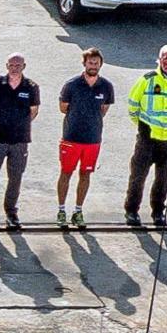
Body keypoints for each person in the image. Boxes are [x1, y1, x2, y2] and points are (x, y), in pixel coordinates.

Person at [124, 43, 167, 227]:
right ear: (159, 60)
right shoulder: (147, 80)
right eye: (165, 59)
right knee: (138, 175)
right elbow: (133, 105)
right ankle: (131, 211)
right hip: (148, 137)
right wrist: (142, 127)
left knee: (163, 177)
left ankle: (158, 212)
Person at [0, 52, 41, 227]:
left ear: (24, 67)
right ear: (7, 66)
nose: (14, 68)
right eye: (11, 65)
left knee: (15, 178)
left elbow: (33, 111)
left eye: (18, 65)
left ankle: (11, 213)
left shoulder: (31, 87)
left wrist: (19, 125)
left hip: (20, 141)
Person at [54, 46, 116, 228]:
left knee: (85, 174)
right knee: (65, 173)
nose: (93, 66)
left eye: (96, 63)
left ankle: (78, 211)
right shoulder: (71, 85)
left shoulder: (106, 86)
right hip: (71, 138)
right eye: (90, 62)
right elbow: (63, 107)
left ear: (100, 65)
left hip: (93, 139)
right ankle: (61, 210)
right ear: (84, 63)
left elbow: (103, 110)